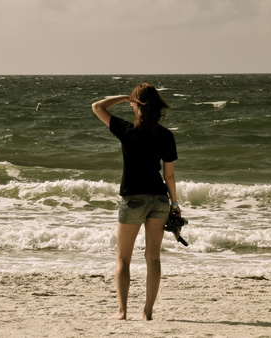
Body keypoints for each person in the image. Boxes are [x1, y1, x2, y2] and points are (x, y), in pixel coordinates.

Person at [91, 83, 181, 321]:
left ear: (136, 105)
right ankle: (147, 312)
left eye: (133, 102)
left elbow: (97, 106)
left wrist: (124, 97)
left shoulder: (126, 129)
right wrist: (174, 204)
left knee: (123, 259)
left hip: (133, 200)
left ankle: (122, 312)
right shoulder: (166, 135)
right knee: (153, 258)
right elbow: (169, 175)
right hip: (160, 200)